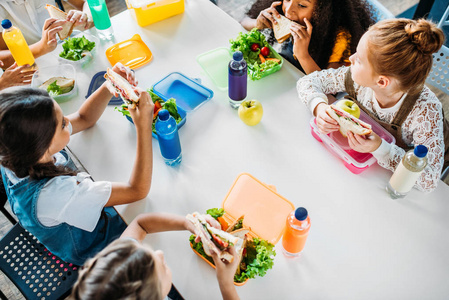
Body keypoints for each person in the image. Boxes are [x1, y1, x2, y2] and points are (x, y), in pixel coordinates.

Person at [0, 62, 155, 265]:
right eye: (63, 123)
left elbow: (84, 118)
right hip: (98, 246)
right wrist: (143, 126)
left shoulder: (13, 148)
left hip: (75, 213)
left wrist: (110, 84)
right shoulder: (57, 194)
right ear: (42, 146)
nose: (68, 121)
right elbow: (137, 190)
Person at [297, 18, 447, 192]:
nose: (351, 58)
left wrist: (380, 148)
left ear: (382, 81)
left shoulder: (425, 112)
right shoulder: (356, 77)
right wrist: (319, 107)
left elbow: (429, 179)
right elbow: (309, 81)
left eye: (359, 59)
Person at [70, 213, 240, 300]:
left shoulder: (120, 263)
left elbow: (140, 224)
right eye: (163, 267)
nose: (160, 253)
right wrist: (226, 285)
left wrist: (187, 223)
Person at [240, 0, 374, 74]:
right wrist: (257, 24)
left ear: (323, 10)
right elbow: (243, 22)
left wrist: (303, 55)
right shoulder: (282, 8)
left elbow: (329, 89)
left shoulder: (341, 38)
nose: (288, 10)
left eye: (302, 5)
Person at [0, 0, 92, 68]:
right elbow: (3, 61)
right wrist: (41, 47)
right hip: (32, 68)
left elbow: (86, 3)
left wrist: (84, 15)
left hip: (67, 53)